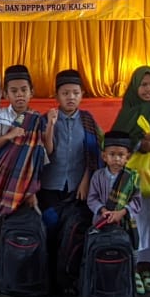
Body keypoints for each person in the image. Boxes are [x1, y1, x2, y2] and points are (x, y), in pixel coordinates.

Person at [0, 64, 51, 297]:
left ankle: (30, 275)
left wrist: (32, 190)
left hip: (26, 187)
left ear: (31, 92)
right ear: (5, 93)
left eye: (24, 90)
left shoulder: (37, 120)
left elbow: (42, 157)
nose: (19, 95)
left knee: (35, 227)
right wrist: (8, 136)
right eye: (14, 91)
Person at [110, 65, 150, 292]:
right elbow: (117, 140)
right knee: (136, 215)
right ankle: (135, 264)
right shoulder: (129, 110)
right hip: (134, 176)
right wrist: (138, 144)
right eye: (143, 85)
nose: (148, 90)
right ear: (135, 86)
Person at [39, 69, 102, 211]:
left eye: (76, 93)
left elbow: (93, 154)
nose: (71, 97)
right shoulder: (46, 119)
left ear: (82, 95)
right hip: (50, 183)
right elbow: (48, 151)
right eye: (65, 93)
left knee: (74, 221)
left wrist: (86, 181)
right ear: (57, 96)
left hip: (78, 185)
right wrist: (50, 125)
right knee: (51, 220)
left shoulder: (87, 120)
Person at [85, 131, 141, 291]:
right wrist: (102, 210)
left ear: (128, 157)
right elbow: (92, 198)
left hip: (125, 224)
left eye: (121, 155)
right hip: (101, 221)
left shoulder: (132, 177)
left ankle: (127, 281)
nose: (116, 159)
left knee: (127, 253)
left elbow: (137, 201)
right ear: (104, 156)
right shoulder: (97, 176)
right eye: (112, 154)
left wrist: (121, 212)